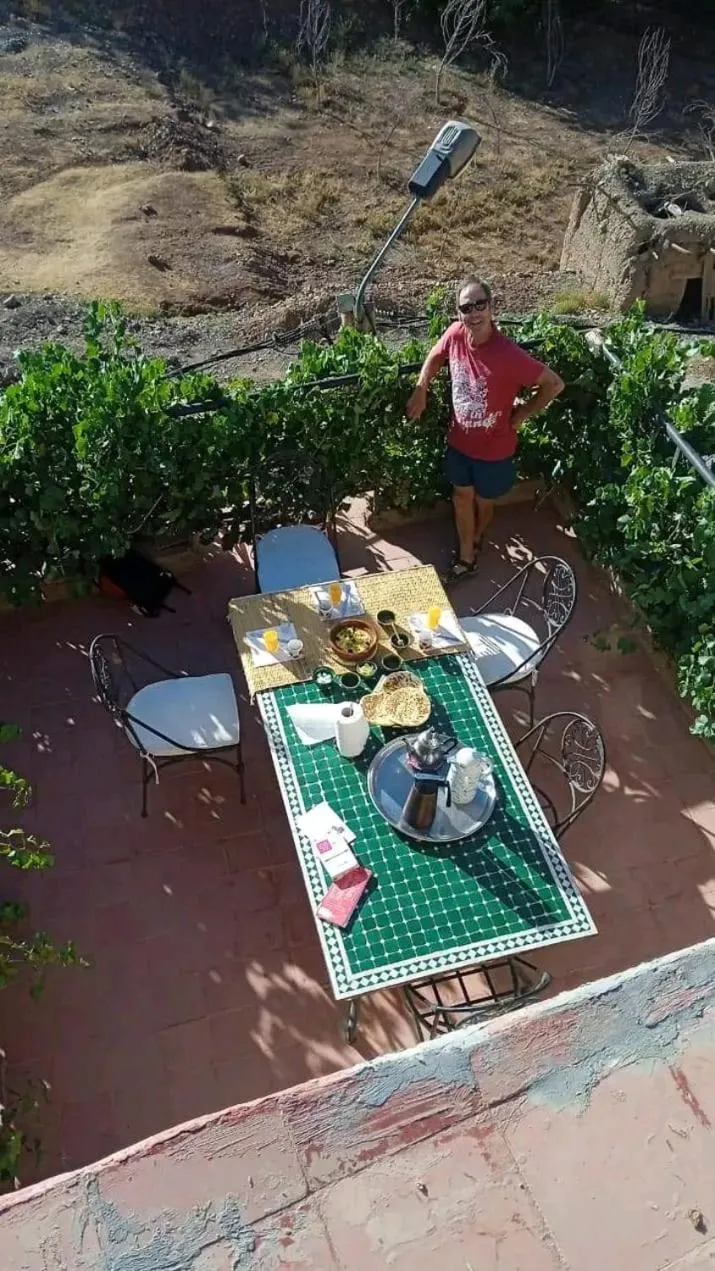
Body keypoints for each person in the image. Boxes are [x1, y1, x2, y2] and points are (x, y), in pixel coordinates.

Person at [406, 277, 564, 579]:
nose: (474, 312)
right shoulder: (454, 334)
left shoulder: (508, 354)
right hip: (459, 443)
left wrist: (521, 415)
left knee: (483, 502)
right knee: (461, 497)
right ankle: (467, 554)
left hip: (495, 450)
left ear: (491, 308)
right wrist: (420, 388)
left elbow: (554, 384)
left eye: (481, 304)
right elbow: (435, 356)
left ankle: (477, 537)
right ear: (458, 313)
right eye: (467, 307)